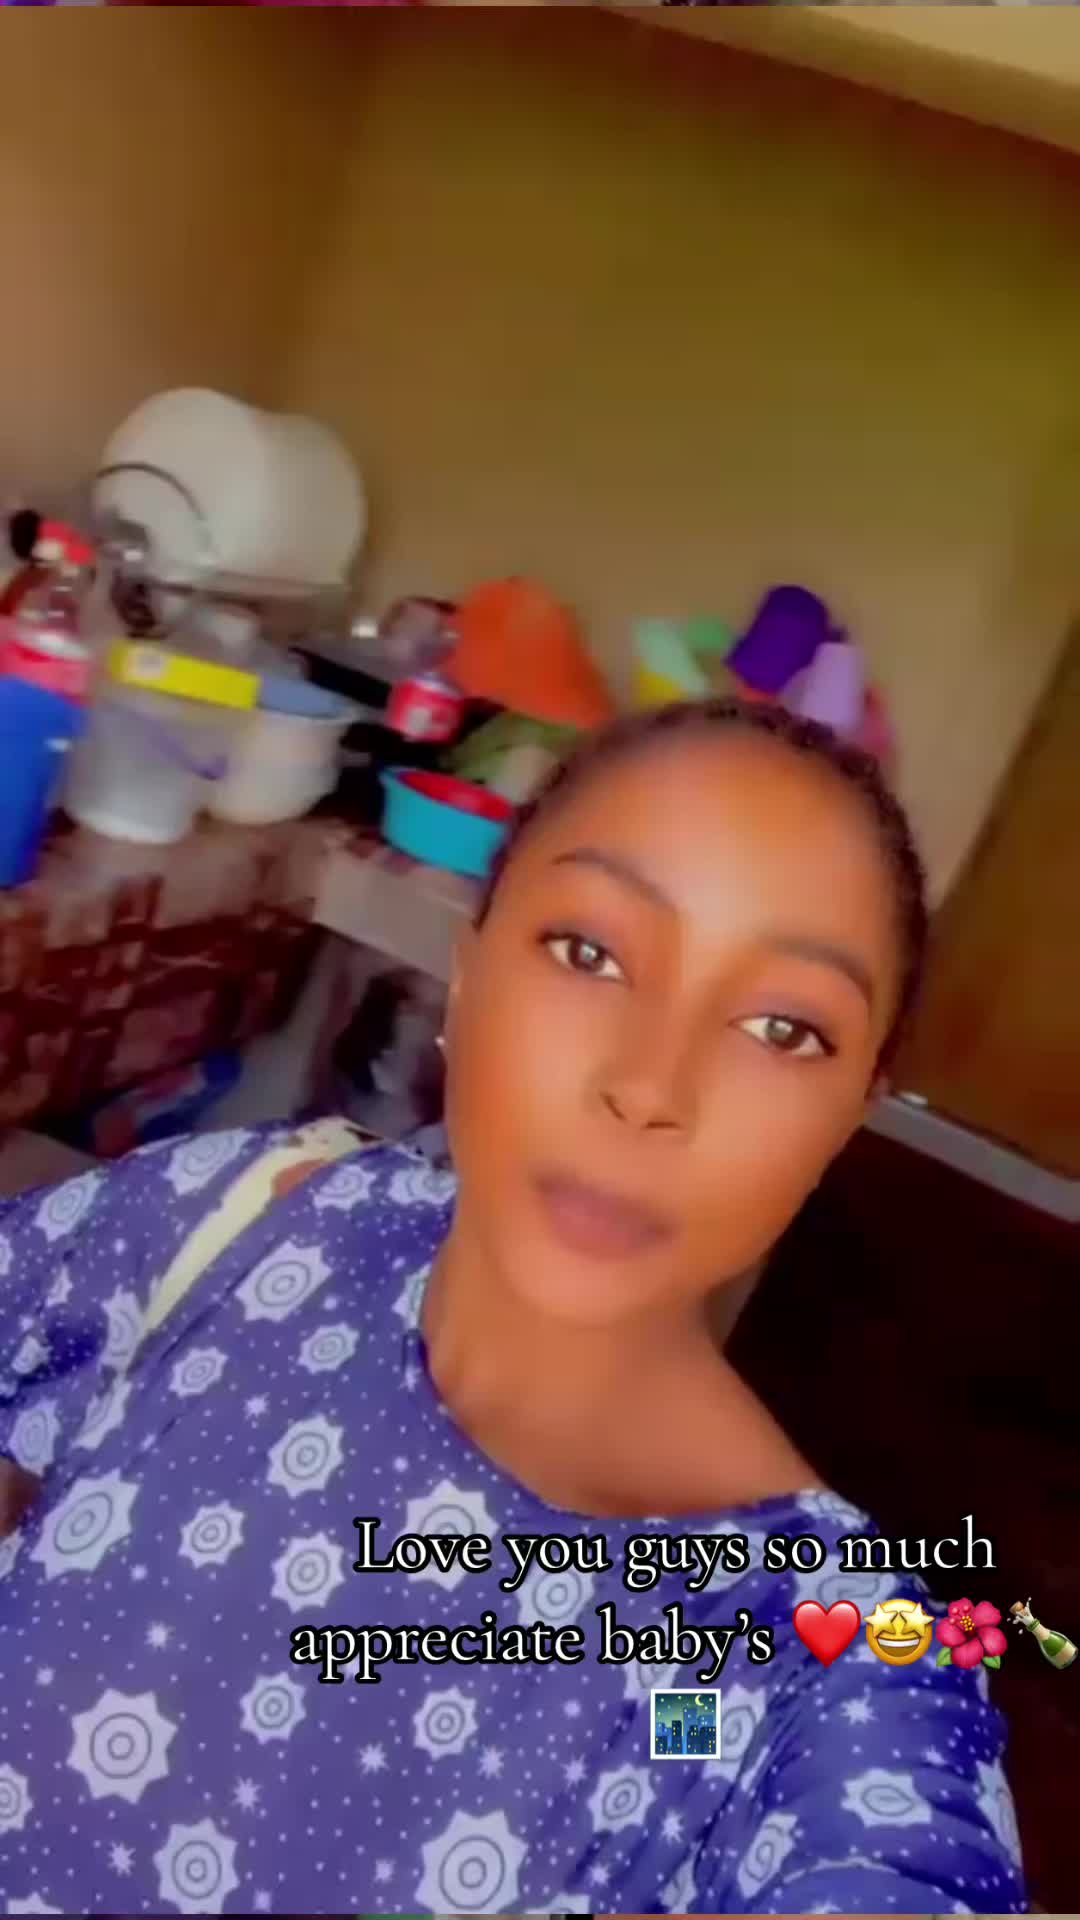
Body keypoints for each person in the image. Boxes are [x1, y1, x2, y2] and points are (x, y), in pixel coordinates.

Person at [0, 701, 1024, 1914]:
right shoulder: (243, 1219)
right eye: (589, 952)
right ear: (469, 970)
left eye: (782, 1027)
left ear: (849, 1115)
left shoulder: (818, 1672)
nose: (649, 1085)